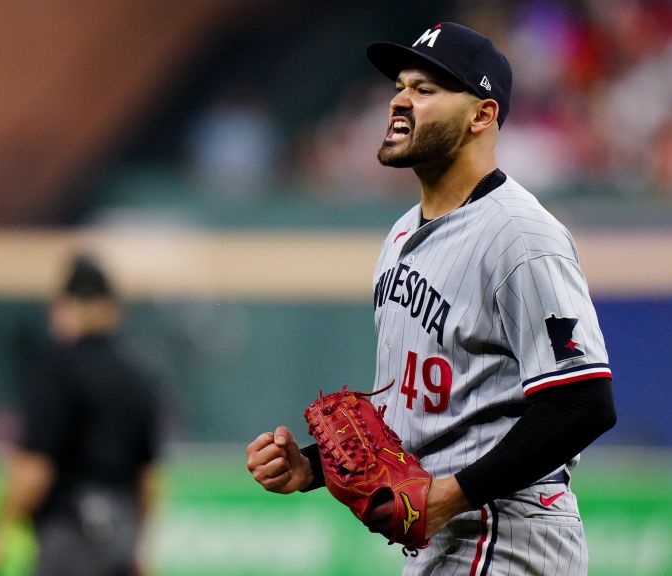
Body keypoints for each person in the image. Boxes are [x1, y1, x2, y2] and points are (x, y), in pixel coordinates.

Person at [246, 22, 617, 575]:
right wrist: (313, 466)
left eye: (426, 89)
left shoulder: (522, 236)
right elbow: (418, 409)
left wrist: (448, 497)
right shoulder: (400, 235)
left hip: (507, 531)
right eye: (400, 85)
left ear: (481, 116)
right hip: (448, 533)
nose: (399, 99)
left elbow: (584, 402)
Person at [0, 253, 163, 576]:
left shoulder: (55, 368)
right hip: (120, 537)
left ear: (64, 306)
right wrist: (140, 547)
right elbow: (149, 480)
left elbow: (35, 468)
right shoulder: (139, 376)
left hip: (72, 538)